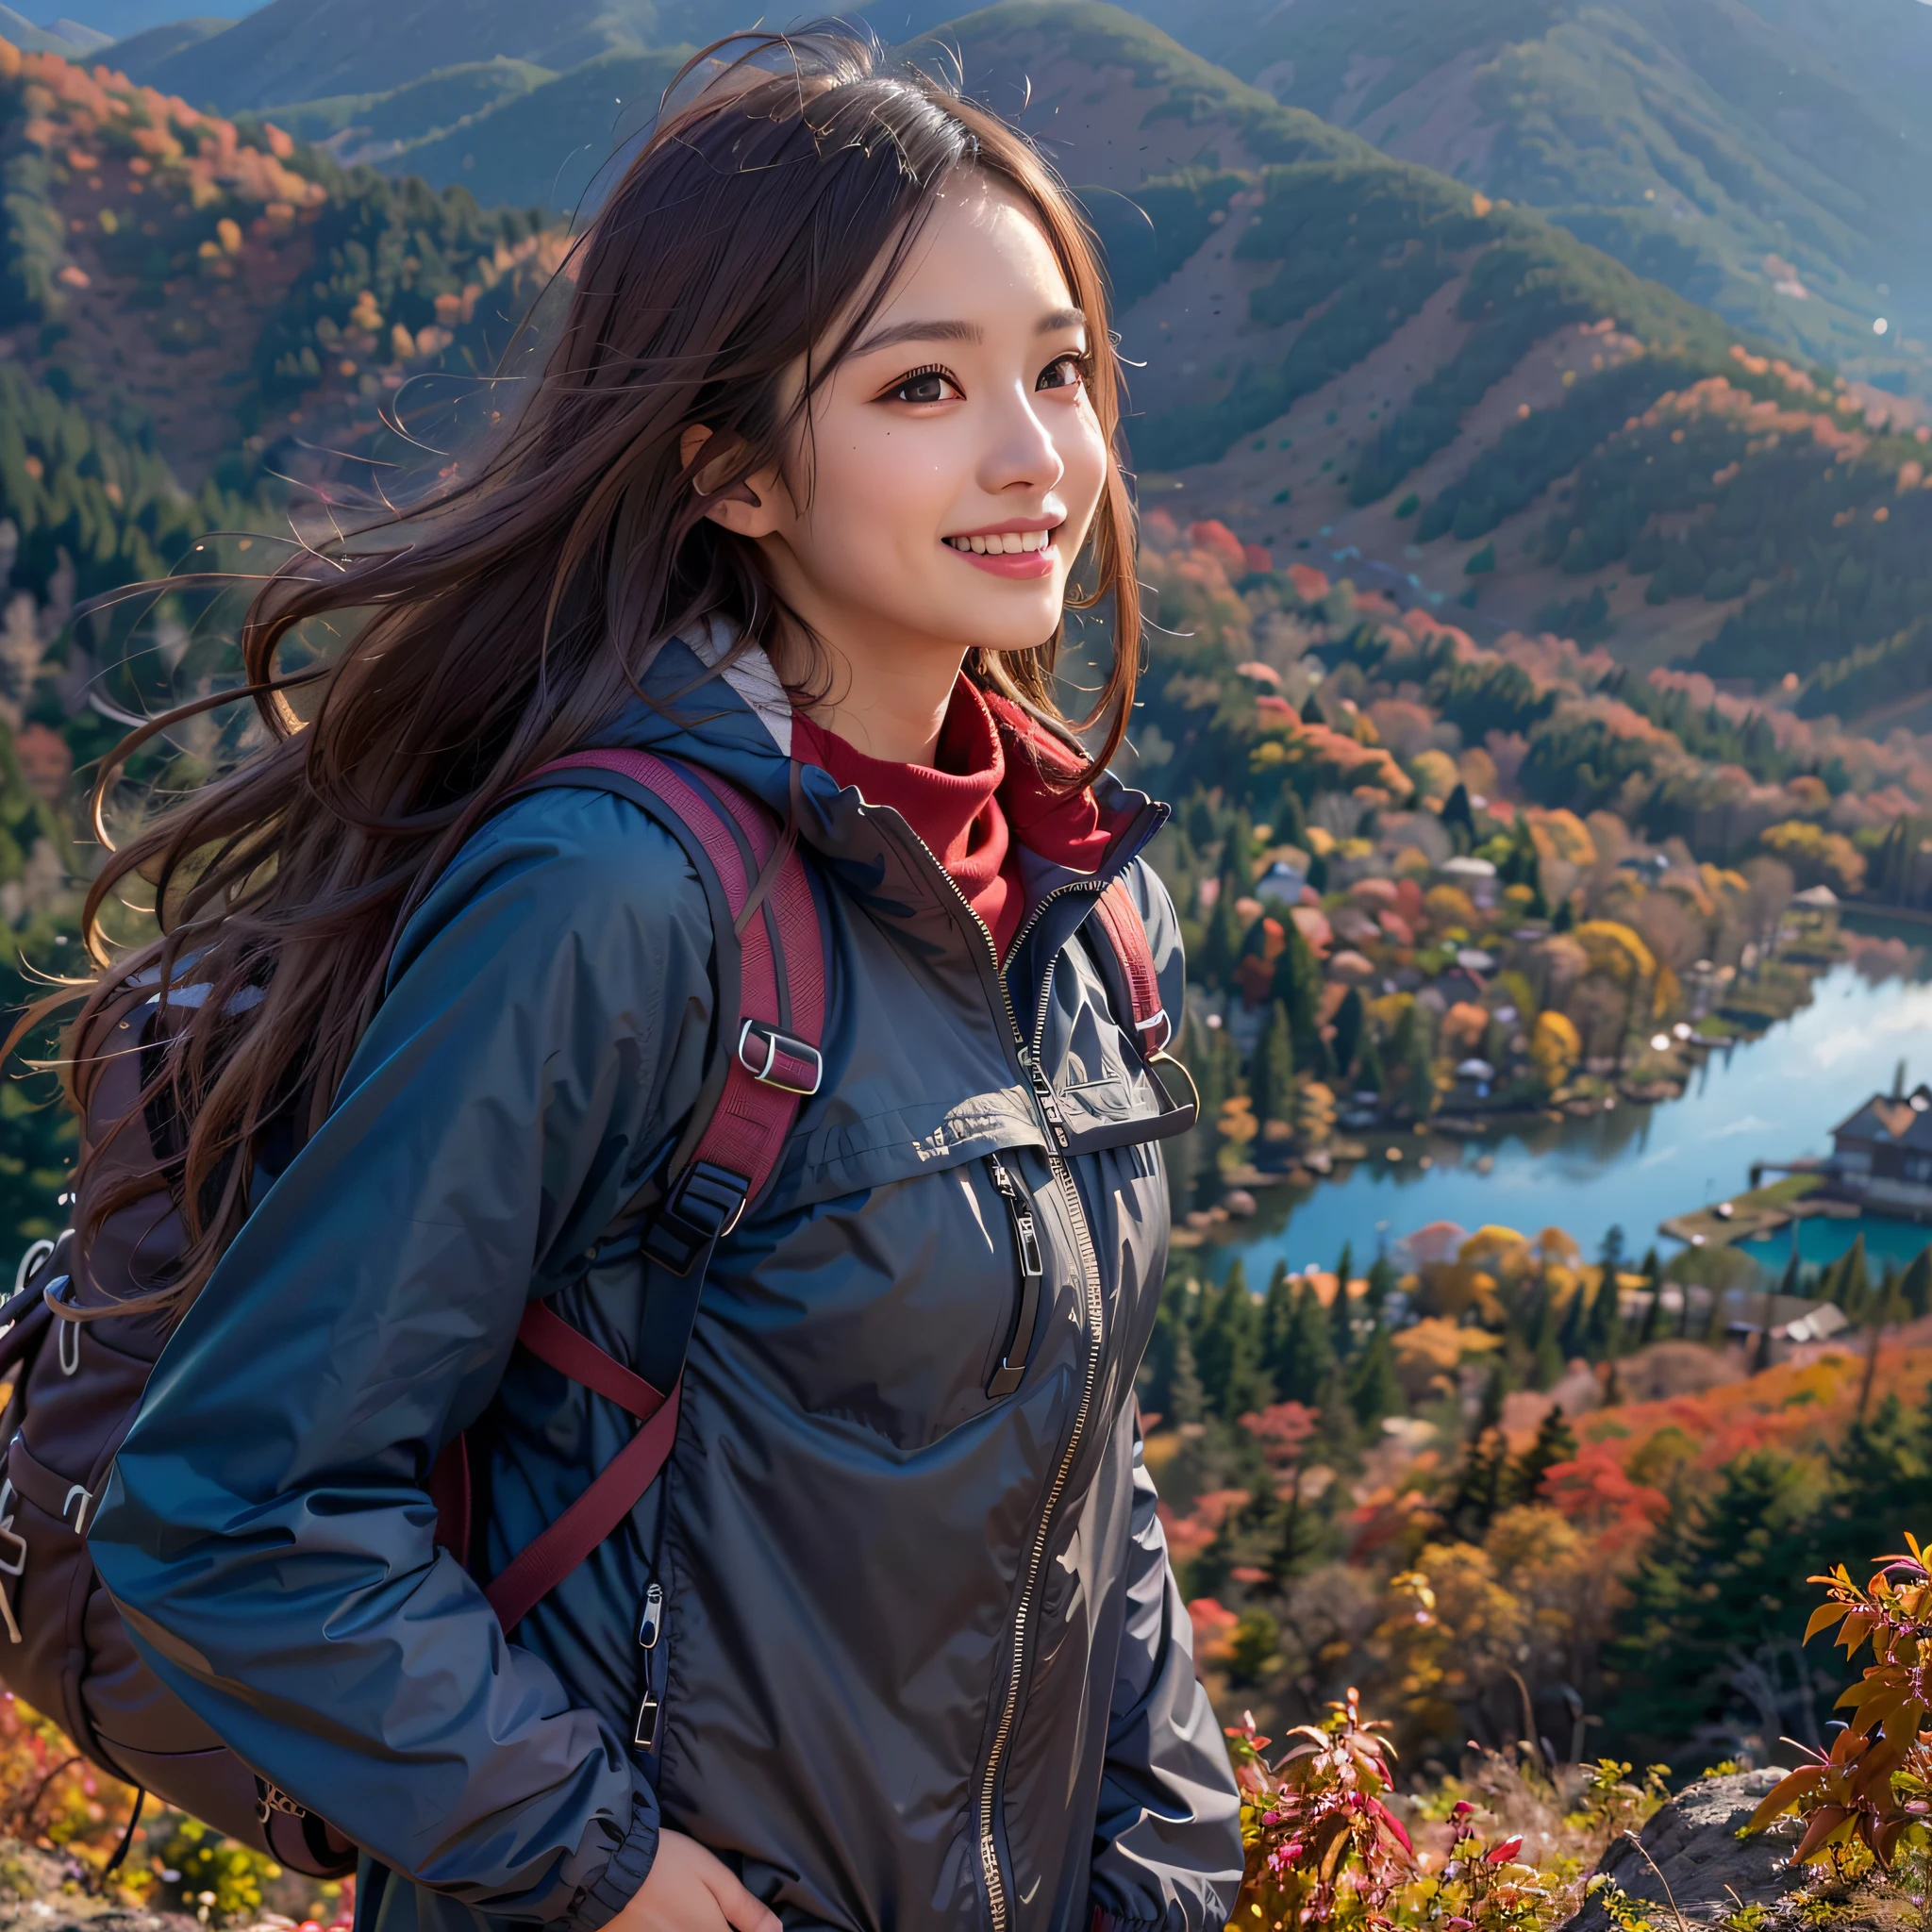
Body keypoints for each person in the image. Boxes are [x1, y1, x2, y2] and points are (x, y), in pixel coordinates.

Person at [76, 34, 1242, 1932]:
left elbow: (1076, 1465)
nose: (1034, 456)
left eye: (1057, 370)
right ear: (734, 473)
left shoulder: (1082, 897)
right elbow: (239, 1503)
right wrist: (603, 1872)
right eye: (923, 387)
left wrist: (1166, 1854)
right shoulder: (617, 901)